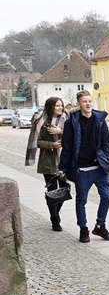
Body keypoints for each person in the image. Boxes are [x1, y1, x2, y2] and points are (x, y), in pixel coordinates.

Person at [58, 90, 109, 243]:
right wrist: (63, 166)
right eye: (84, 101)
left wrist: (106, 159)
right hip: (82, 169)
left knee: (106, 195)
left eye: (90, 101)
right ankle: (83, 228)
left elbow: (105, 144)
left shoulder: (100, 120)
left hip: (100, 167)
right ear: (79, 104)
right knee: (81, 200)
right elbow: (67, 146)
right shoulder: (71, 122)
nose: (88, 104)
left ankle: (100, 225)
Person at [26, 96, 68, 231]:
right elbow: (36, 141)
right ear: (50, 107)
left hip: (64, 160)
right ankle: (55, 219)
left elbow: (73, 136)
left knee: (65, 188)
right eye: (57, 106)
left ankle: (55, 212)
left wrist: (60, 131)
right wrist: (52, 145)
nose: (60, 108)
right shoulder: (41, 121)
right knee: (52, 190)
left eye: (61, 105)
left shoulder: (66, 119)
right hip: (48, 160)